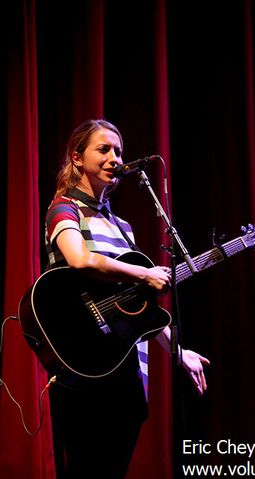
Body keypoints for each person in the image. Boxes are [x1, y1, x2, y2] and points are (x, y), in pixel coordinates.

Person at [45, 118, 210, 478]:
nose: (114, 158)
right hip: (86, 361)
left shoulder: (123, 227)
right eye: (103, 149)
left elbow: (135, 308)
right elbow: (79, 259)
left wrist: (178, 351)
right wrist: (144, 273)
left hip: (127, 365)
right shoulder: (64, 208)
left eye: (118, 151)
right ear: (77, 157)